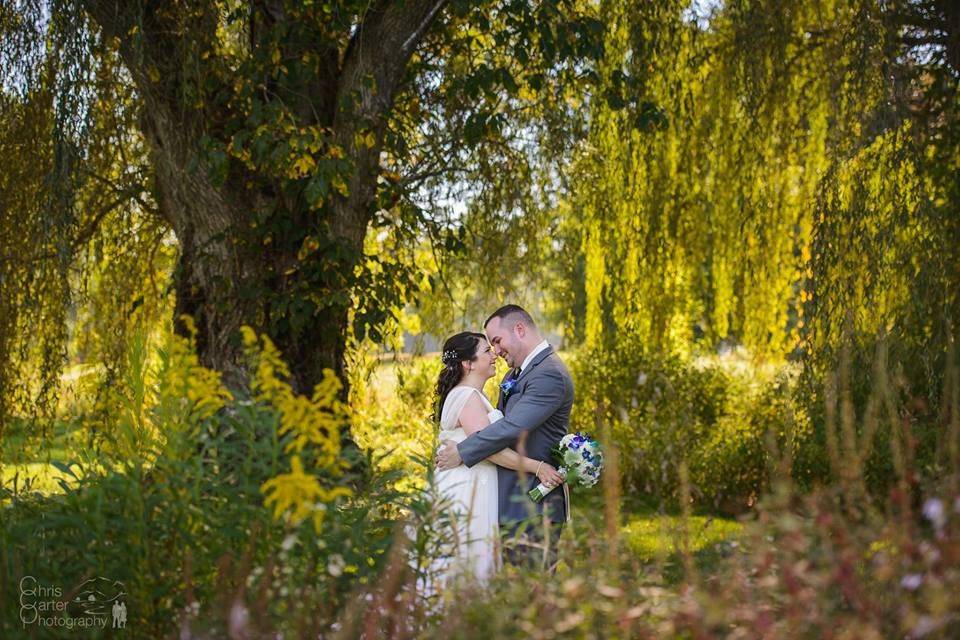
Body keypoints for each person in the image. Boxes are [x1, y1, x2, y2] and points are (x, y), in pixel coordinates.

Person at [436, 305, 574, 571]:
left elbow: (511, 427)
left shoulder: (549, 373)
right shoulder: (514, 375)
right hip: (505, 499)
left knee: (535, 592)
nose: (496, 351)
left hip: (534, 503)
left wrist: (463, 450)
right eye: (489, 347)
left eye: (497, 342)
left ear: (519, 330)